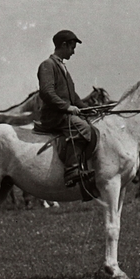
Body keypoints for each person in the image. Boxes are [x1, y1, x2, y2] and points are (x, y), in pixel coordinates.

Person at [36, 29, 98, 198]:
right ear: (63, 45)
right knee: (83, 127)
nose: (73, 51)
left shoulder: (62, 67)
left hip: (63, 114)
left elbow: (73, 96)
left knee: (91, 125)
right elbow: (47, 93)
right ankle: (71, 170)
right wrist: (67, 107)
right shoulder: (47, 65)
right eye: (72, 47)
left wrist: (86, 108)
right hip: (54, 116)